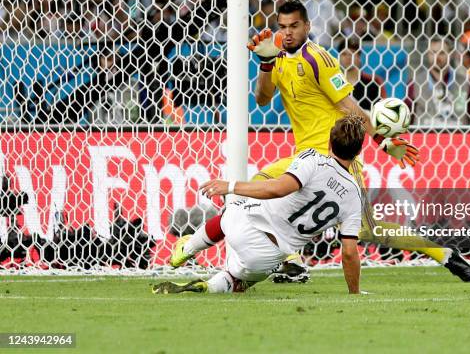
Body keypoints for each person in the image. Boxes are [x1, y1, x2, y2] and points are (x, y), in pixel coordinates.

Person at [246, 0, 470, 282]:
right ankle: (292, 262)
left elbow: (348, 105)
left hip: (336, 157)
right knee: (257, 188)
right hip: (305, 157)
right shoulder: (277, 57)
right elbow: (262, 98)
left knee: (368, 229)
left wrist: (382, 140)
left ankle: (444, 254)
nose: (288, 32)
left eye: (294, 26)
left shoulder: (319, 59)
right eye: (282, 27)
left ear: (307, 26)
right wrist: (266, 63)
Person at [152, 115, 366, 294]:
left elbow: (277, 188)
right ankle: (209, 286)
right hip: (268, 256)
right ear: (358, 152)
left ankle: (188, 248)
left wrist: (230, 186)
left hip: (243, 224)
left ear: (329, 142)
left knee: (234, 207)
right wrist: (354, 292)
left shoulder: (313, 159)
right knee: (241, 279)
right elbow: (349, 252)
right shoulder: (355, 195)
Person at [407, 37, 469, 126]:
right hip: (425, 137)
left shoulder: (465, 82)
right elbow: (407, 114)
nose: (437, 57)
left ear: (450, 54)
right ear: (428, 54)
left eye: (442, 53)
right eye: (433, 52)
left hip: (457, 136)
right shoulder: (415, 83)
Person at [338, 38, 387, 109]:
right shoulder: (336, 83)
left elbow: (383, 109)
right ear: (339, 57)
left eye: (352, 53)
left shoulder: (374, 81)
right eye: (344, 54)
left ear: (359, 57)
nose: (348, 57)